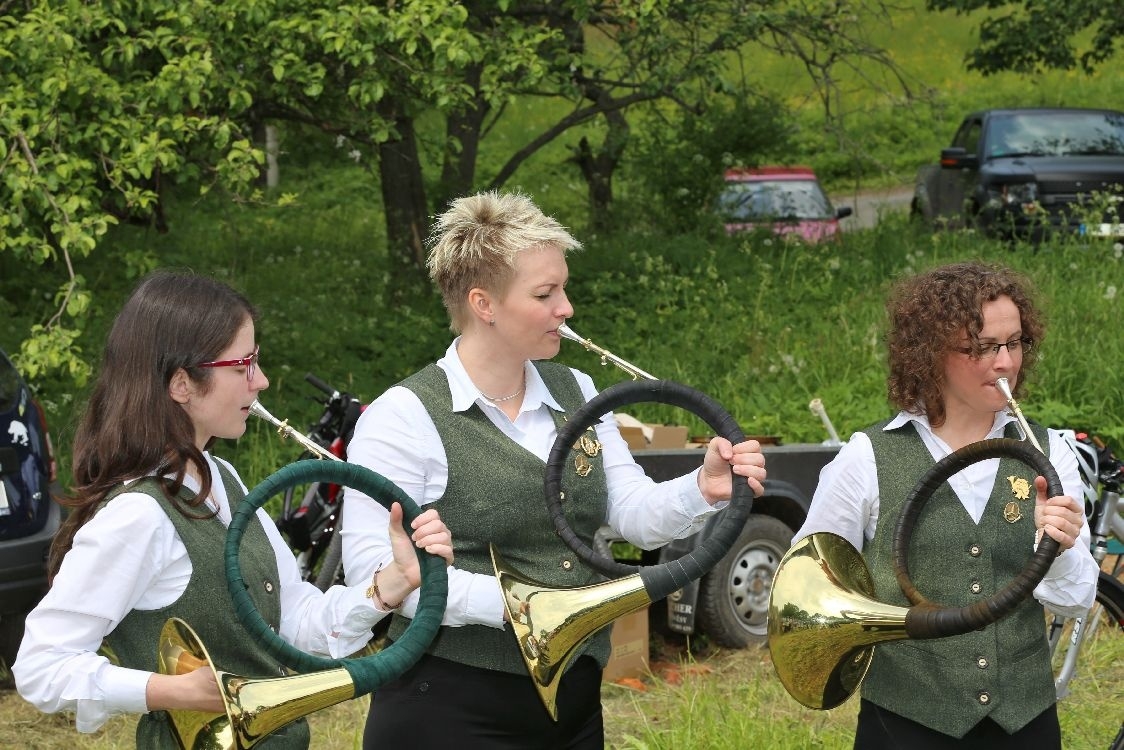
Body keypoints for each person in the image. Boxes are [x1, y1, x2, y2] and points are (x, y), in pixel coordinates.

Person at [340, 190, 767, 749]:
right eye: (545, 293)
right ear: (483, 304)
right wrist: (525, 609)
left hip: (573, 699)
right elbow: (377, 574)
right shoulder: (404, 417)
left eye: (562, 288)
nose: (566, 308)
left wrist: (701, 489)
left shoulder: (578, 391)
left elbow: (629, 515)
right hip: (451, 702)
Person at [13, 271, 454, 749]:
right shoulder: (137, 515)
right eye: (244, 365)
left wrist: (393, 582)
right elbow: (40, 666)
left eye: (256, 361)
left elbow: (298, 624)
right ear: (182, 384)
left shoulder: (223, 478)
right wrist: (173, 691)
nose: (260, 381)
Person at [793, 261, 1098, 749]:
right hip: (905, 722)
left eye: (1014, 343)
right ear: (929, 353)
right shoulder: (867, 457)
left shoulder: (1049, 452)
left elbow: (1077, 598)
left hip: (1024, 722)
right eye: (981, 348)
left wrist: (1059, 548)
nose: (1006, 364)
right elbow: (810, 587)